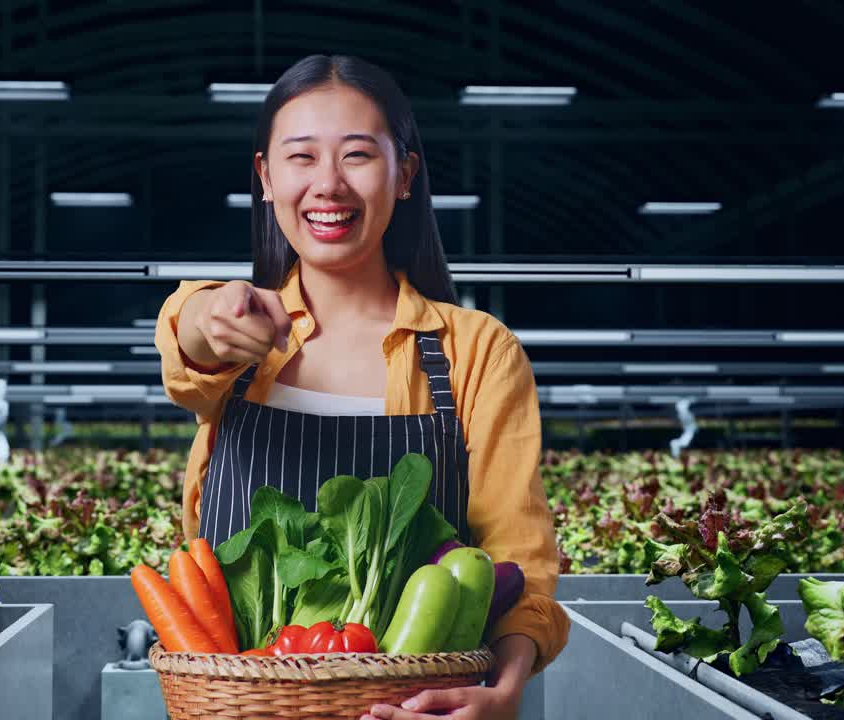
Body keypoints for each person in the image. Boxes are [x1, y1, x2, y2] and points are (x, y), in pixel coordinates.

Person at [155, 54, 569, 719]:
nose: (329, 185)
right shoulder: (239, 337)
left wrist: (506, 690)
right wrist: (207, 316)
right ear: (265, 177)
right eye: (301, 158)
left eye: (356, 157)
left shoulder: (476, 350)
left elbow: (518, 557)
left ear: (403, 175)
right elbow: (187, 341)